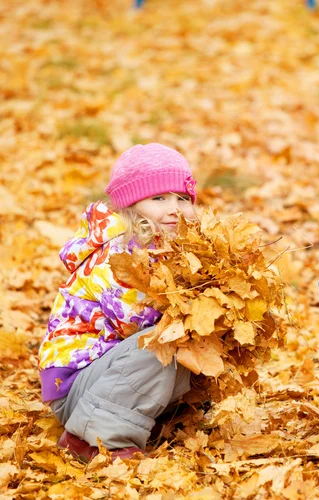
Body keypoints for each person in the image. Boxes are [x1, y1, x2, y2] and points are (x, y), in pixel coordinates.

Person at [39, 143, 199, 461]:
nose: (174, 208)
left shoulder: (169, 248)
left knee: (191, 348)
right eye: (159, 198)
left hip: (110, 375)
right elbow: (132, 321)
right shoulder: (120, 251)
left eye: (182, 199)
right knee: (162, 343)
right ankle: (93, 436)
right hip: (76, 384)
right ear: (131, 204)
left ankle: (131, 417)